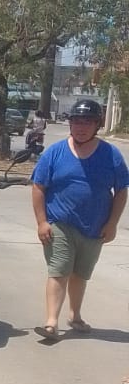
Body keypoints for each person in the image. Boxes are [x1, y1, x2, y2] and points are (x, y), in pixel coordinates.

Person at [31, 98, 128, 343]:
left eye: (88, 122)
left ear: (97, 125)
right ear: (70, 124)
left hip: (95, 227)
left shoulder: (111, 155)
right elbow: (38, 187)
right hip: (60, 223)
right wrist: (42, 222)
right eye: (76, 121)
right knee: (60, 271)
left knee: (80, 274)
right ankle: (51, 322)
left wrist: (113, 223)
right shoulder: (55, 152)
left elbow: (122, 190)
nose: (81, 127)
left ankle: (75, 316)